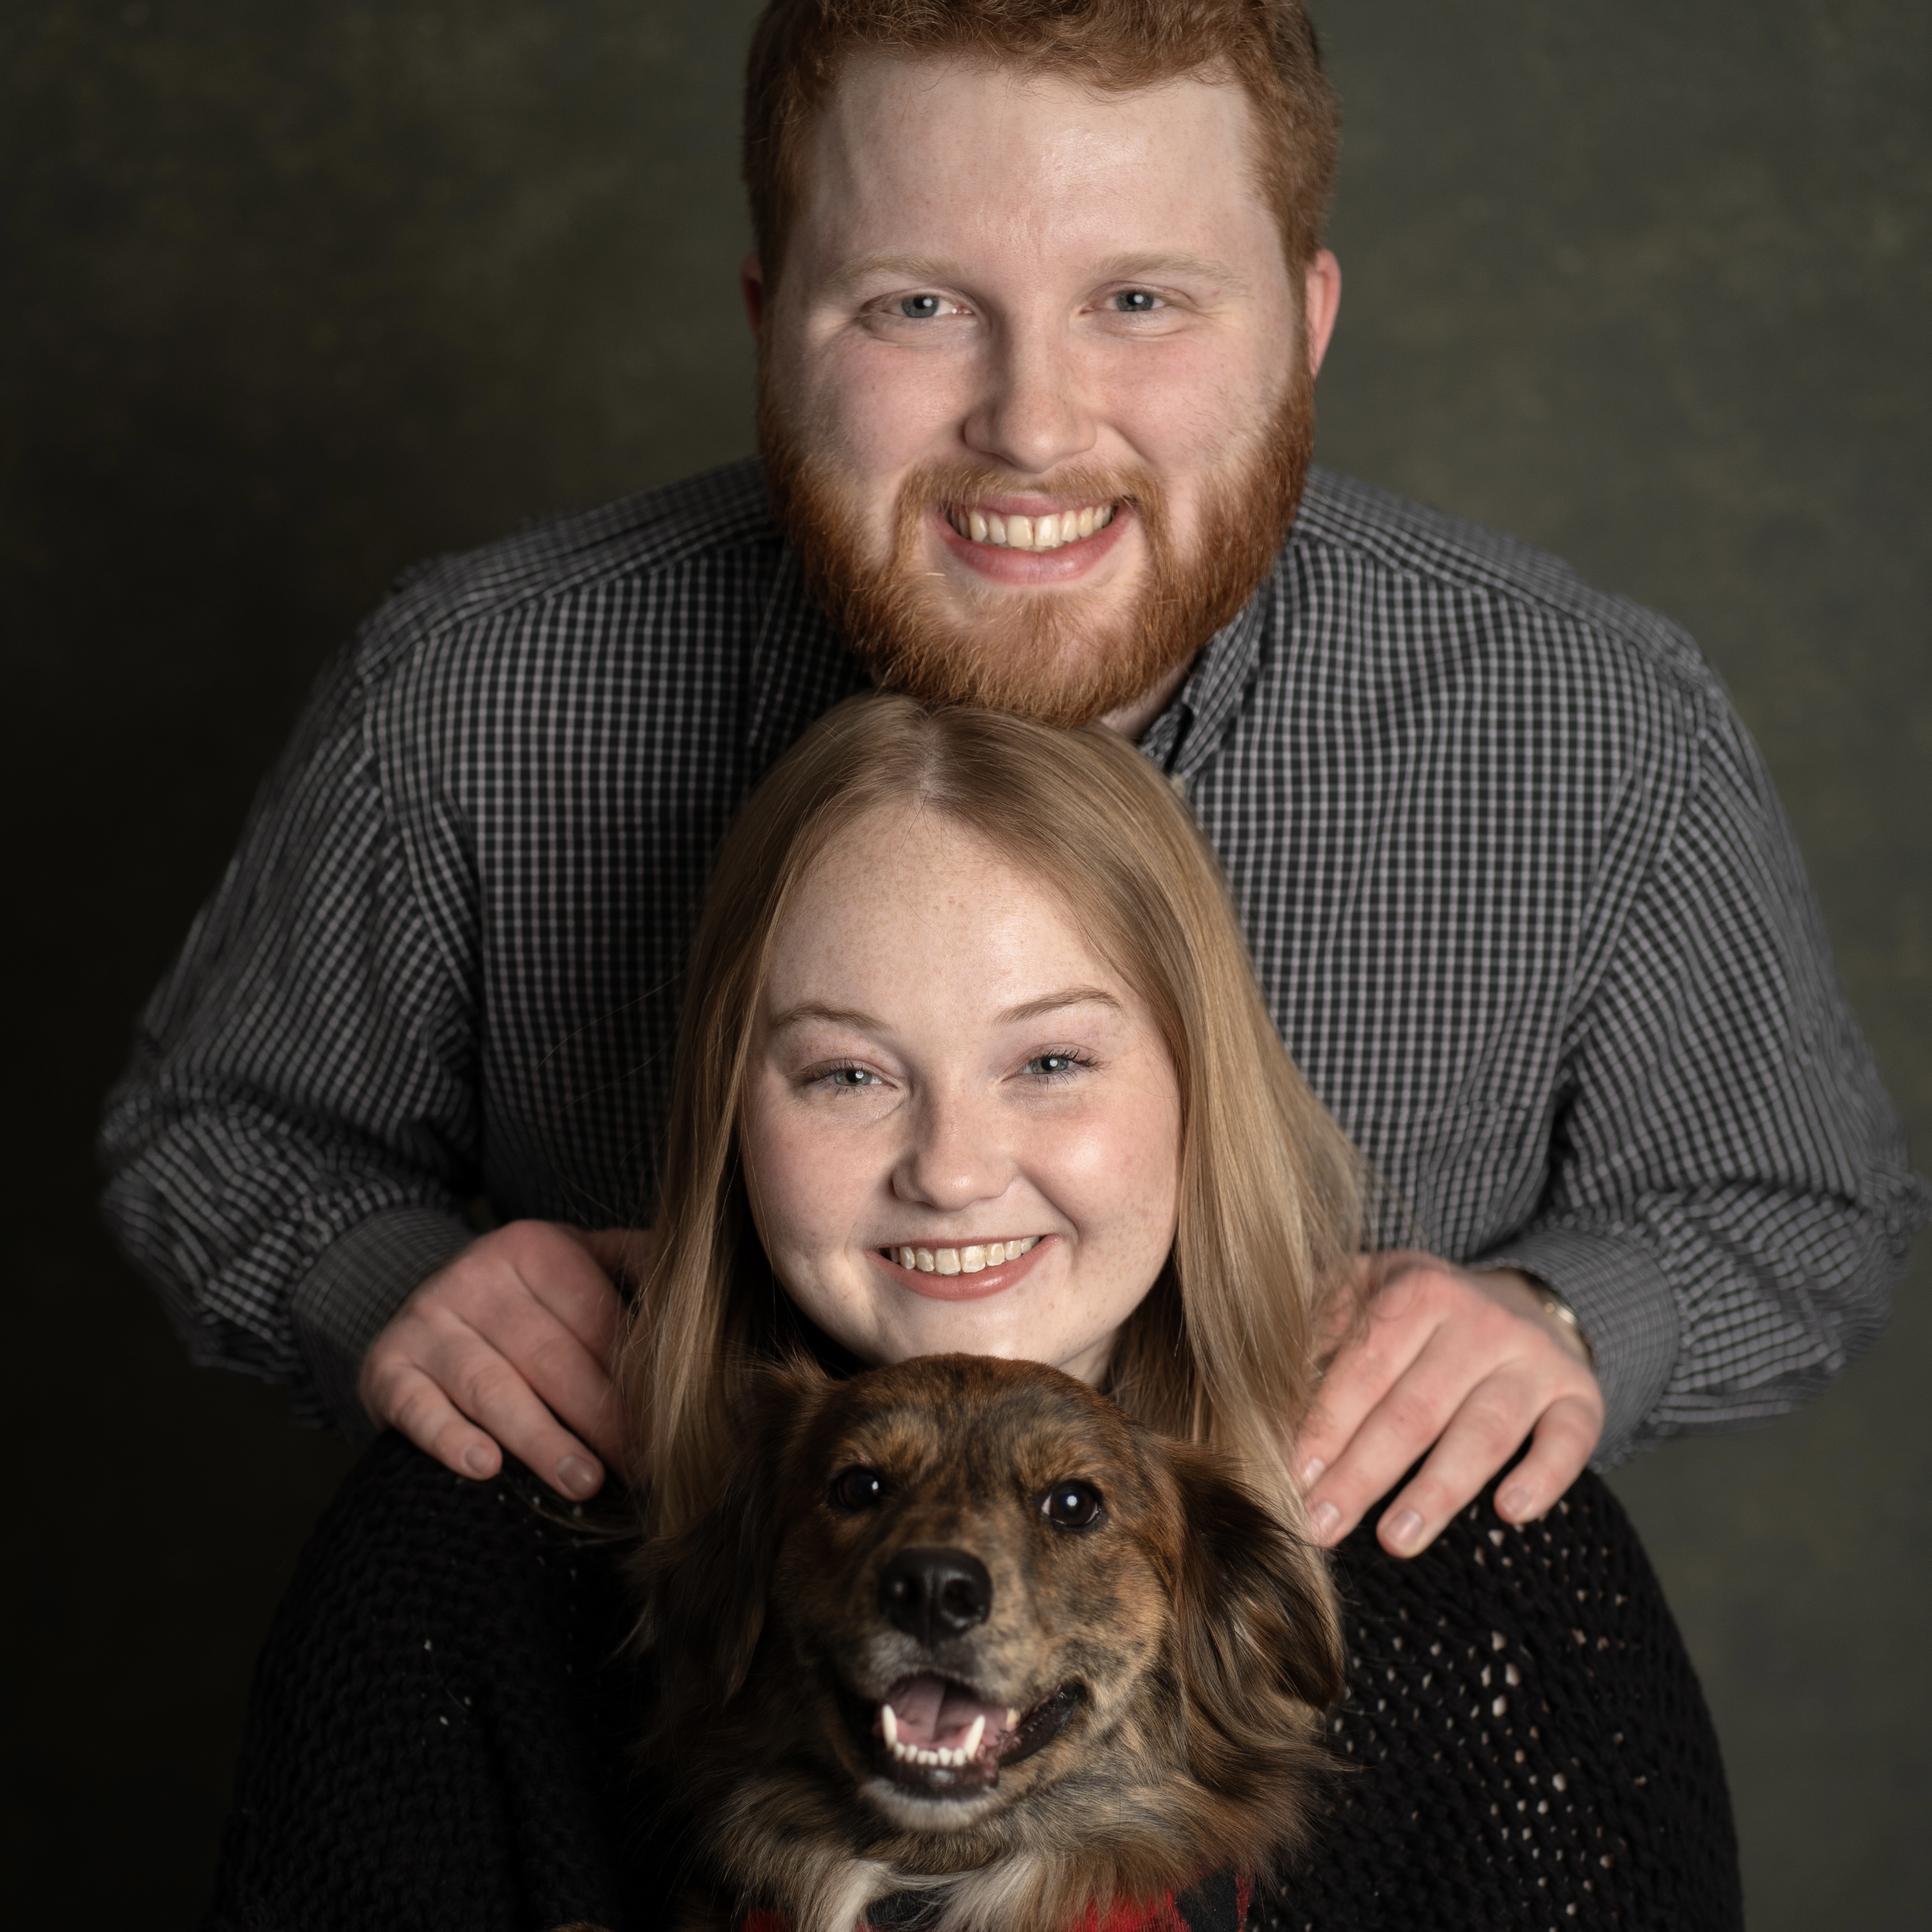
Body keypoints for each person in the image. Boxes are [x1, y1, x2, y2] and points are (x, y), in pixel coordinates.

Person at [101, 0, 1924, 1568]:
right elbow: (221, 1136)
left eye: (1139, 298)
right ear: (766, 317)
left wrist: (1558, 1318)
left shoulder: (1592, 724)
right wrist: (389, 1284)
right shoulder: (471, 694)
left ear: (1304, 319)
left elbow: (1795, 1202)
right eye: (913, 306)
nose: (1032, 427)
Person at [207, 696, 1744, 1930]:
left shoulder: (1464, 1549)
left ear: (1197, 1091)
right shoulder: (476, 1531)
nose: (949, 1169)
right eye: (847, 1073)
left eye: (1053, 1061)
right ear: (728, 1120)